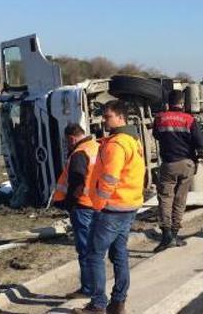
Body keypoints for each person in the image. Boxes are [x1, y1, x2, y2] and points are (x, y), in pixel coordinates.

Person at [75, 100, 145, 314]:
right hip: (128, 205)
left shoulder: (116, 145)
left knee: (94, 255)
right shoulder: (133, 140)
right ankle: (118, 303)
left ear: (121, 118)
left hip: (112, 208)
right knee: (119, 254)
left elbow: (110, 177)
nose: (104, 121)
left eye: (108, 117)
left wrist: (98, 203)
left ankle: (97, 305)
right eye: (103, 116)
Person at [152, 90, 203, 252]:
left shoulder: (160, 119)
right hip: (187, 164)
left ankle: (166, 235)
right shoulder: (189, 120)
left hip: (168, 164)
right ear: (183, 104)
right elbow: (202, 146)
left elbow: (156, 135)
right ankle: (175, 235)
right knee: (180, 199)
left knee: (165, 199)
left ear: (168, 104)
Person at [52, 123, 99, 299]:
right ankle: (95, 287)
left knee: (85, 250)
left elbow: (77, 183)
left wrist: (68, 203)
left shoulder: (79, 153)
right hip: (97, 204)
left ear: (72, 138)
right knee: (95, 249)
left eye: (68, 141)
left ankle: (88, 289)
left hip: (82, 206)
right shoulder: (96, 146)